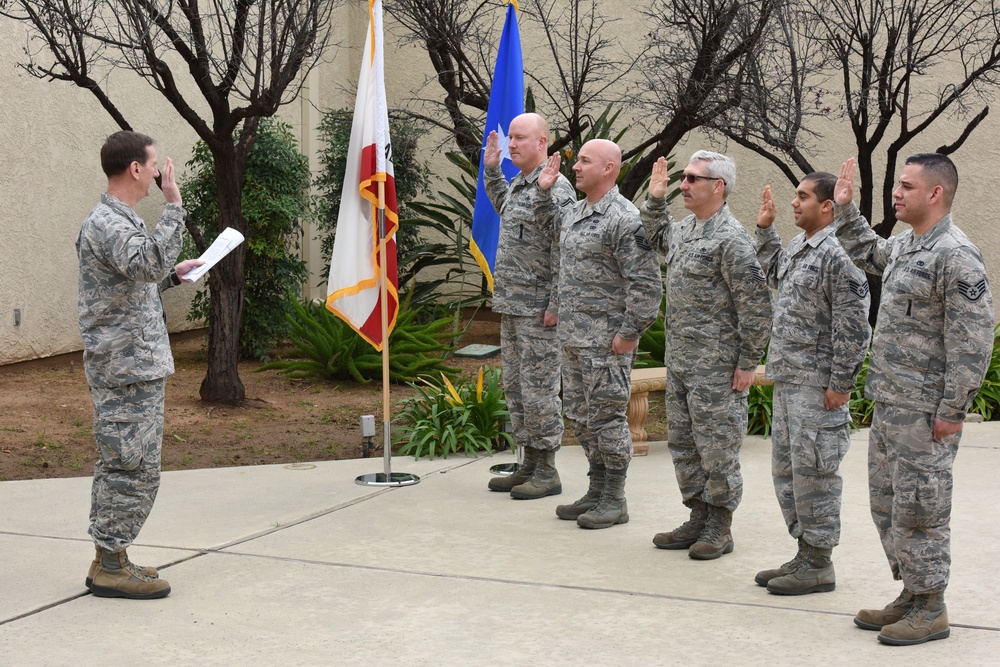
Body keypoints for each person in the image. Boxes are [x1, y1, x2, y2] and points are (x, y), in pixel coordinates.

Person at [834, 155, 993, 645]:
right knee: (889, 504)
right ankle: (911, 592)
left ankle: (932, 607)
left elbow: (973, 339)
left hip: (925, 412)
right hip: (891, 403)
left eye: (905, 186)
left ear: (935, 194)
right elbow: (871, 253)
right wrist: (845, 210)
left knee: (922, 507)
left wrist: (952, 410)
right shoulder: (907, 244)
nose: (897, 194)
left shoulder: (956, 255)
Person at [78, 131, 203, 599]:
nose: (159, 174)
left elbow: (135, 282)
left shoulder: (118, 220)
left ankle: (111, 557)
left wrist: (173, 274)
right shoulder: (109, 223)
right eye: (154, 166)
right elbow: (146, 262)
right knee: (129, 466)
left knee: (130, 464)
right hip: (125, 370)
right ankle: (110, 564)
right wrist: (174, 204)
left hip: (134, 366)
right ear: (135, 168)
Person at [640, 153, 772, 559]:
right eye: (683, 178)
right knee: (684, 444)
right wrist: (655, 199)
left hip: (717, 368)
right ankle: (697, 514)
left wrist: (748, 362)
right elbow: (654, 235)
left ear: (718, 186)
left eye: (692, 179)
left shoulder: (731, 239)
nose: (684, 184)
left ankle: (720, 523)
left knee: (717, 447)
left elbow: (756, 305)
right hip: (682, 362)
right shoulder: (684, 230)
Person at [753, 174, 871, 595]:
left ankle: (820, 561)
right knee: (788, 472)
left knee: (816, 474)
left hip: (818, 387)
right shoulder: (799, 248)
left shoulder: (839, 256)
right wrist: (766, 230)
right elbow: (773, 274)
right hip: (790, 379)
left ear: (827, 207)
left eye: (803, 197)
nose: (793, 203)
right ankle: (805, 551)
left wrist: (841, 383)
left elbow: (854, 326)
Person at [536, 139, 661, 529]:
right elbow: (561, 264)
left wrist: (629, 333)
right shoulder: (575, 213)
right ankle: (596, 487)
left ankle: (614, 498)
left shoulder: (625, 218)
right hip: (573, 338)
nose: (576, 167)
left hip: (606, 343)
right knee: (582, 416)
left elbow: (646, 284)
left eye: (585, 161)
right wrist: (556, 311)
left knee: (607, 418)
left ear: (609, 168)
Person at [482, 113, 576, 499]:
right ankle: (528, 463)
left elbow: (564, 248)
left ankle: (548, 469)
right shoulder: (521, 183)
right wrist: (491, 171)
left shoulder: (557, 188)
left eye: (521, 138)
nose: (512, 144)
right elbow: (505, 206)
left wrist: (556, 302)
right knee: (518, 388)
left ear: (543, 143)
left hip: (540, 310)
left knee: (540, 390)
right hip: (513, 304)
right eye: (511, 138)